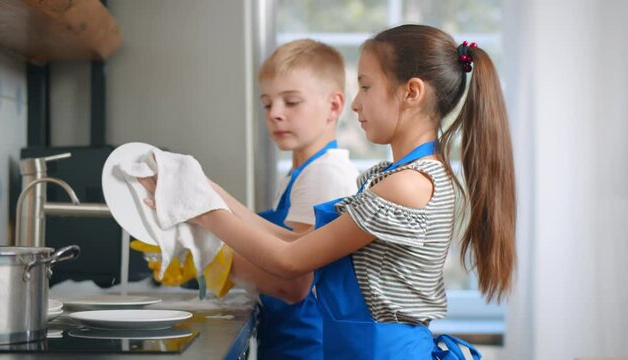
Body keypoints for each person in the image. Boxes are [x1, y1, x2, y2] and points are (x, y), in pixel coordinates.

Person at [141, 24, 516, 359]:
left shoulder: (407, 185)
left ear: (411, 92)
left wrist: (200, 210)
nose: (356, 103)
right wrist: (208, 190)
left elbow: (291, 261)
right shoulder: (402, 177)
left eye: (366, 87)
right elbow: (292, 241)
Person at [215, 39, 358, 360]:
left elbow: (294, 284)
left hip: (308, 348)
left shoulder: (325, 174)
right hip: (287, 344)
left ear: (334, 106)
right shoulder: (300, 175)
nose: (275, 114)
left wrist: (211, 259)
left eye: (291, 102)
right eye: (267, 104)